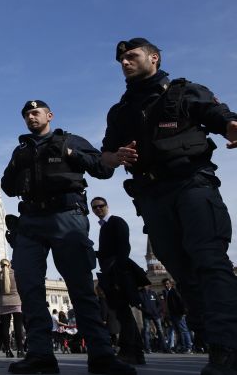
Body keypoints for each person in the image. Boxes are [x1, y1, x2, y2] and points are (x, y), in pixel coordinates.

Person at [100, 37, 237, 374]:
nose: (125, 63)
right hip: (152, 196)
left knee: (208, 260)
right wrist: (115, 157)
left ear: (154, 58)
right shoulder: (121, 111)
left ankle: (228, 345)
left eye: (132, 57)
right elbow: (104, 157)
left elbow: (218, 115)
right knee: (183, 271)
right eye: (122, 60)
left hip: (192, 183)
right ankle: (214, 344)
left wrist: (231, 125)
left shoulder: (183, 91)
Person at [0, 101, 134, 375]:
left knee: (81, 286)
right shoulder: (21, 150)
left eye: (36, 113)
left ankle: (101, 354)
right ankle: (39, 354)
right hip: (31, 220)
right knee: (29, 288)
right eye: (26, 114)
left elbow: (102, 168)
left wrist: (72, 154)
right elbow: (6, 186)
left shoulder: (70, 141)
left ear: (49, 116)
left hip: (66, 215)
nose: (31, 117)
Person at [92, 197, 148, 365]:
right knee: (123, 313)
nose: (98, 209)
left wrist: (120, 272)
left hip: (118, 272)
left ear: (107, 206)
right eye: (95, 207)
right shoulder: (104, 227)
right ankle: (137, 353)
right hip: (112, 271)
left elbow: (124, 247)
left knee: (123, 313)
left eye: (101, 206)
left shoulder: (116, 222)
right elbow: (107, 251)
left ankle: (128, 350)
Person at [0, 258, 24, 358]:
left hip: (3, 303)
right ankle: (20, 350)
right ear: (9, 264)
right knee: (18, 328)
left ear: (1, 265)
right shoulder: (16, 273)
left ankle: (7, 351)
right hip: (16, 303)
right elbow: (21, 288)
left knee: (5, 329)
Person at [161, 279, 192, 354]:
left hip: (178, 314)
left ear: (171, 284)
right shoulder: (166, 292)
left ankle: (188, 347)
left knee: (184, 330)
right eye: (165, 284)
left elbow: (181, 301)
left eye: (167, 284)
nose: (166, 285)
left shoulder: (174, 291)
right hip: (172, 314)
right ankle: (182, 346)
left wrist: (183, 312)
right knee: (178, 332)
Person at [138, 285, 166, 354]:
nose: (145, 286)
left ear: (149, 285)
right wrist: (145, 310)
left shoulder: (153, 293)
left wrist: (157, 311)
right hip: (146, 315)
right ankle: (148, 348)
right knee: (146, 331)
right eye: (143, 285)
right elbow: (138, 305)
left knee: (160, 330)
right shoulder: (140, 294)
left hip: (156, 315)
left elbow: (159, 304)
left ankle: (164, 348)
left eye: (146, 285)